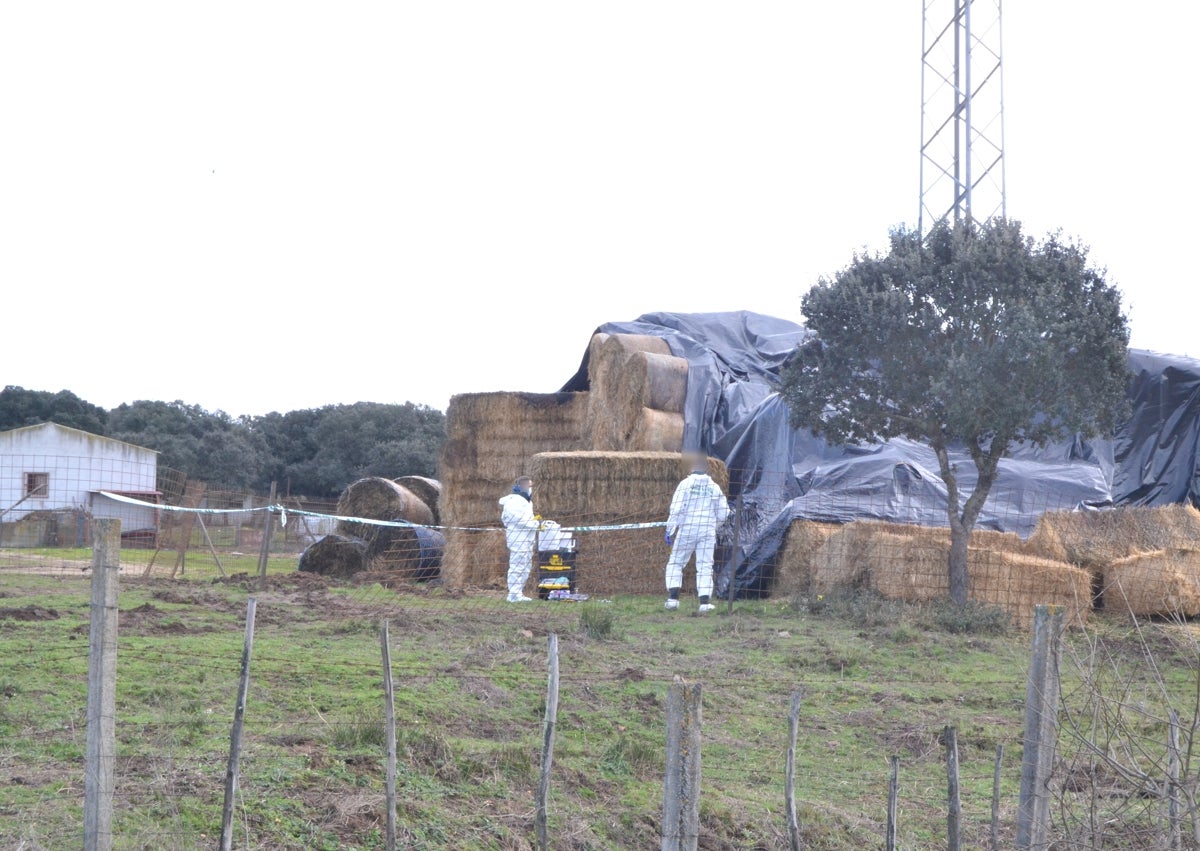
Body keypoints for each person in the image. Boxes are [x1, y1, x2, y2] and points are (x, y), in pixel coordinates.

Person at [663, 456, 730, 613]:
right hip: (707, 530)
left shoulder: (685, 485)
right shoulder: (714, 487)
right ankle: (704, 603)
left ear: (692, 469)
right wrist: (713, 525)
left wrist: (670, 530)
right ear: (707, 469)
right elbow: (724, 513)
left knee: (676, 562)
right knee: (705, 565)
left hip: (687, 528)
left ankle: (673, 600)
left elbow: (676, 509)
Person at [499, 475, 540, 602]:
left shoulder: (527, 501)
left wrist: (536, 522)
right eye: (530, 485)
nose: (531, 488)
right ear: (523, 485)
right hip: (517, 537)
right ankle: (513, 594)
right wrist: (534, 524)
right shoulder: (513, 501)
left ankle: (519, 592)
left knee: (526, 565)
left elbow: (526, 519)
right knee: (517, 565)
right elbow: (513, 518)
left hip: (527, 537)